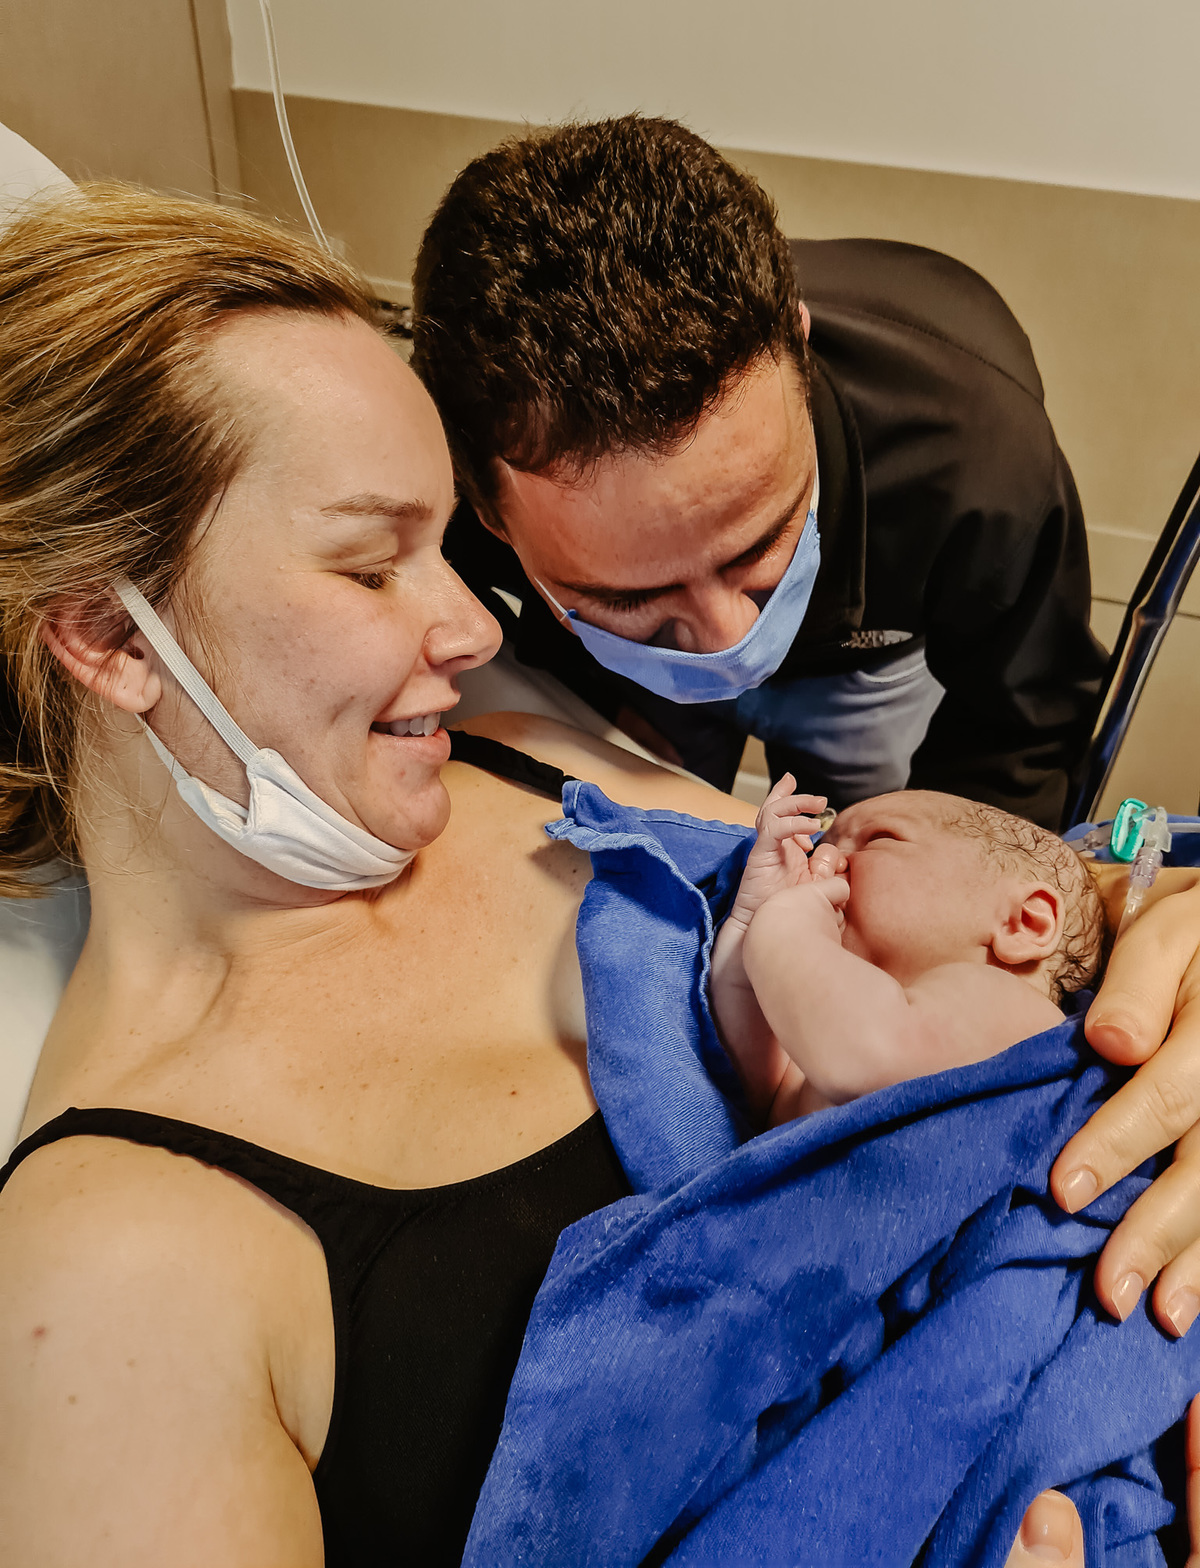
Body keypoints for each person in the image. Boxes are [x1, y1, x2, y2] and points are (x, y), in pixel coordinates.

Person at [0, 183, 1191, 1567]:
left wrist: (1164, 942)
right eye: (372, 567)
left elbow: (1001, 933)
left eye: (447, 546)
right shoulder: (109, 1281)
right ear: (109, 636)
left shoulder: (513, 758)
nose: (468, 625)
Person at [412, 114, 1106, 831]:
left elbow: (1021, 732)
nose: (726, 643)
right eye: (630, 597)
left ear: (801, 354)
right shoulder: (419, 465)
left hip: (866, 668)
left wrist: (931, 866)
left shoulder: (972, 444)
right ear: (487, 511)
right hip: (620, 683)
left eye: (758, 543)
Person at [711, 779, 1104, 1121]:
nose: (823, 859)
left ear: (1023, 923)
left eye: (879, 839)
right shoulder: (837, 1032)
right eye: (823, 844)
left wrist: (784, 923)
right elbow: (764, 1091)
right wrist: (750, 923)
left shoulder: (1013, 1003)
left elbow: (868, 1053)